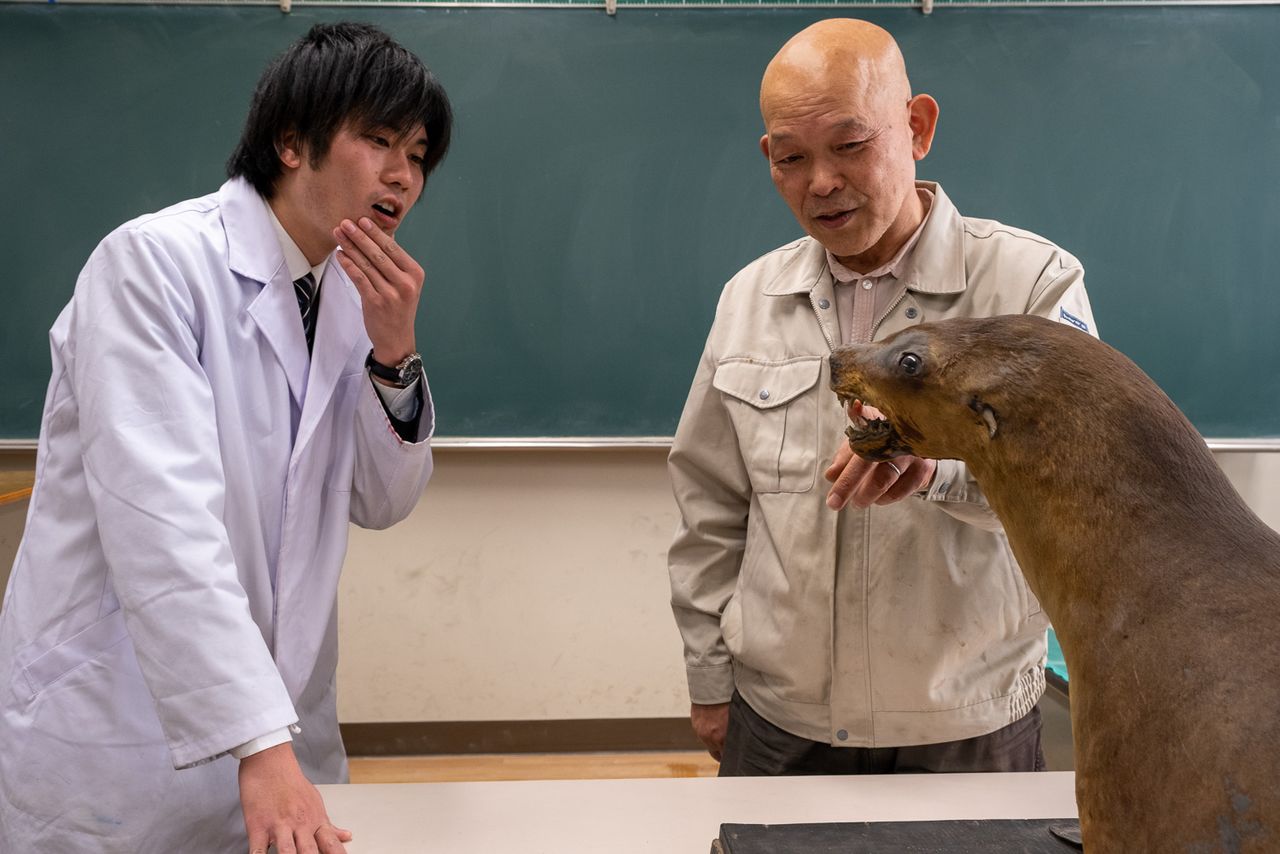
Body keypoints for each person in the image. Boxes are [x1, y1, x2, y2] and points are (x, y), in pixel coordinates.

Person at [0, 23, 452, 853]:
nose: (402, 175)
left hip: (279, 733)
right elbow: (161, 525)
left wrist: (396, 353)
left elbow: (382, 502)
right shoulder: (152, 266)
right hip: (121, 727)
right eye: (379, 140)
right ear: (290, 141)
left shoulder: (350, 298)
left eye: (418, 154)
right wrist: (258, 740)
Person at [667, 18, 1097, 776]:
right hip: (779, 724)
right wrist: (709, 679)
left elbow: (1078, 488)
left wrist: (936, 474)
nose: (821, 182)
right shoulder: (748, 300)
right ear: (769, 159)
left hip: (967, 724)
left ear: (917, 126)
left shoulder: (1031, 287)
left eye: (851, 144)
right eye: (792, 159)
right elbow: (710, 508)